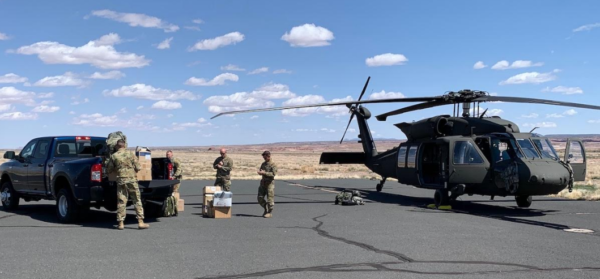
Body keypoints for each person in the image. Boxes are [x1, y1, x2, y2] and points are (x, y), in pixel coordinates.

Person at [106, 140, 149, 230]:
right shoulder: (130, 154)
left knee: (122, 201)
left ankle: (121, 223)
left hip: (121, 180)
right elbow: (138, 167)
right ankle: (140, 222)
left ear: (117, 146)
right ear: (124, 145)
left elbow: (109, 170)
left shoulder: (114, 156)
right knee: (136, 200)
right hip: (132, 180)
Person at [257, 151, 277, 218]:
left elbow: (273, 174)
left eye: (265, 157)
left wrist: (264, 173)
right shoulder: (263, 164)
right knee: (260, 198)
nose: (264, 159)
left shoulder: (273, 164)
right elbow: (261, 170)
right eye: (263, 157)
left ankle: (269, 212)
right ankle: (265, 208)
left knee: (270, 199)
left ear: (268, 156)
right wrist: (260, 172)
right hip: (263, 183)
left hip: (269, 184)